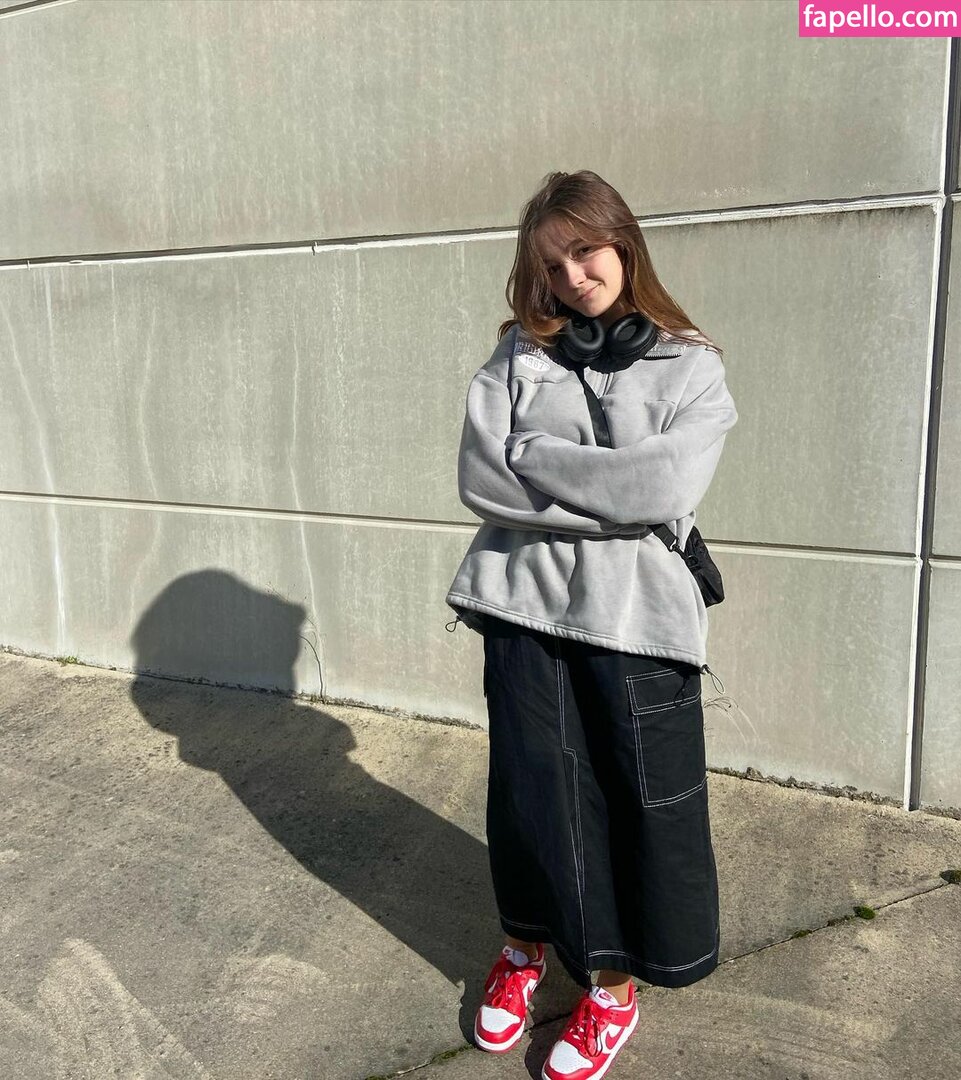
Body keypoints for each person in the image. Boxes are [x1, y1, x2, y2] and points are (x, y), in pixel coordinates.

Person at [445, 170, 738, 1080]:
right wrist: (613, 501)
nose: (573, 276)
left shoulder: (692, 365)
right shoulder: (515, 358)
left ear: (622, 242)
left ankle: (611, 989)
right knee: (529, 796)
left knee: (636, 807)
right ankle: (524, 948)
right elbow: (482, 479)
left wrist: (538, 457)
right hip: (521, 606)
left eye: (584, 250)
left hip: (637, 620)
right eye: (552, 263)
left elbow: (664, 486)